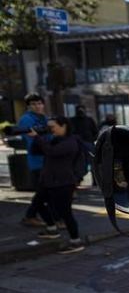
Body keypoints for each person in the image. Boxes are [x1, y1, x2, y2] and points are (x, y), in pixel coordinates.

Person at [28, 116, 84, 254]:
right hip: (48, 181)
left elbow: (51, 152)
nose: (50, 129)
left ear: (63, 126)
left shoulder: (71, 141)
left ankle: (76, 241)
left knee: (65, 213)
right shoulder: (54, 139)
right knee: (37, 203)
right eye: (48, 127)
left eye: (52, 126)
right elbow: (37, 151)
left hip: (63, 183)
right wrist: (38, 136)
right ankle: (52, 229)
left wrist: (38, 138)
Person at [18, 93, 49, 227]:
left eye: (39, 103)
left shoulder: (44, 118)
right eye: (33, 104)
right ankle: (32, 216)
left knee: (46, 191)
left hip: (49, 159)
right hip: (37, 160)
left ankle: (33, 216)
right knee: (43, 191)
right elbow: (32, 141)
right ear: (28, 106)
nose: (37, 106)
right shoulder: (26, 119)